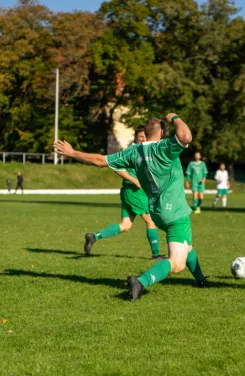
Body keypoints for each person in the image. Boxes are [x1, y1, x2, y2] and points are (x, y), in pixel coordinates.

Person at [54, 113, 208, 301]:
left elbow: (100, 161)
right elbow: (185, 136)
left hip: (158, 213)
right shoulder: (165, 147)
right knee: (177, 262)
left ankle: (201, 280)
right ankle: (141, 282)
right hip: (175, 213)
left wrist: (72, 153)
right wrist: (175, 117)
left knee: (186, 245)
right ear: (161, 132)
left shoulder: (133, 152)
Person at [83, 126, 163, 260]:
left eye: (145, 136)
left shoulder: (143, 151)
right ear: (135, 137)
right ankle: (156, 255)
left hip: (131, 192)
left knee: (125, 225)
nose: (143, 138)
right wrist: (135, 180)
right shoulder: (131, 151)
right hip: (134, 191)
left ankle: (94, 237)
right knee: (150, 221)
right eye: (141, 136)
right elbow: (117, 168)